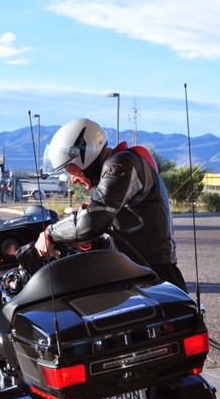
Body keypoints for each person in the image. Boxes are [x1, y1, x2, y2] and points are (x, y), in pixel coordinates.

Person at [34, 117, 187, 291]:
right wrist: (88, 241)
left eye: (70, 169)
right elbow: (116, 226)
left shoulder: (121, 164)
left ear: (84, 155)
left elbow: (93, 219)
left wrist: (50, 234)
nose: (73, 179)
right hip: (136, 270)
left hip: (151, 276)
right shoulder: (120, 166)